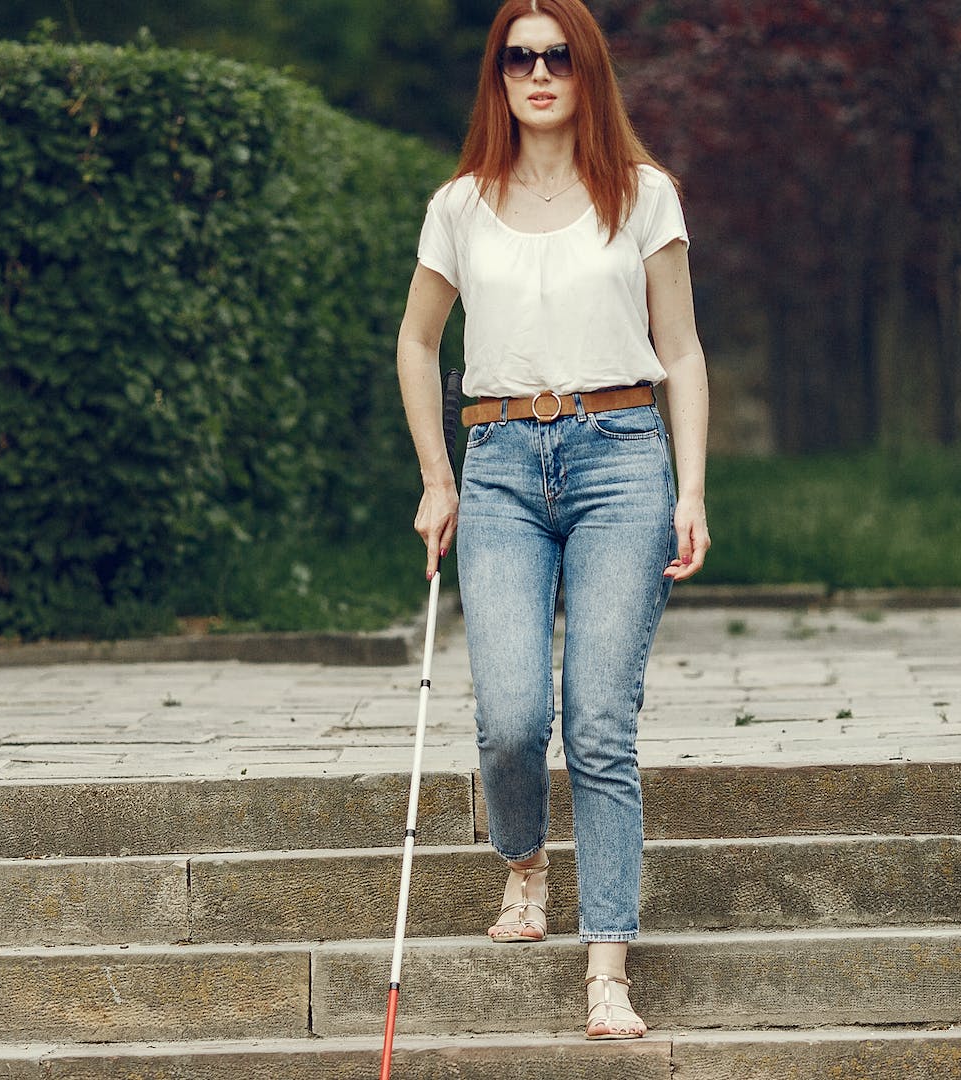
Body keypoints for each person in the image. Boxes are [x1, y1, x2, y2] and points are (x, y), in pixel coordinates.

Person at [393, 0, 710, 1043]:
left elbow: (684, 349)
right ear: (498, 75)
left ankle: (605, 970)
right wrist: (437, 476)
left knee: (603, 725)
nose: (538, 72)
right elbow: (417, 341)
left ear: (588, 71)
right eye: (518, 57)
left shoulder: (642, 195)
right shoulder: (462, 206)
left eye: (558, 56)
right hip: (495, 469)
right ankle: (524, 863)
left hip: (620, 457)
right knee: (514, 717)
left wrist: (691, 489)